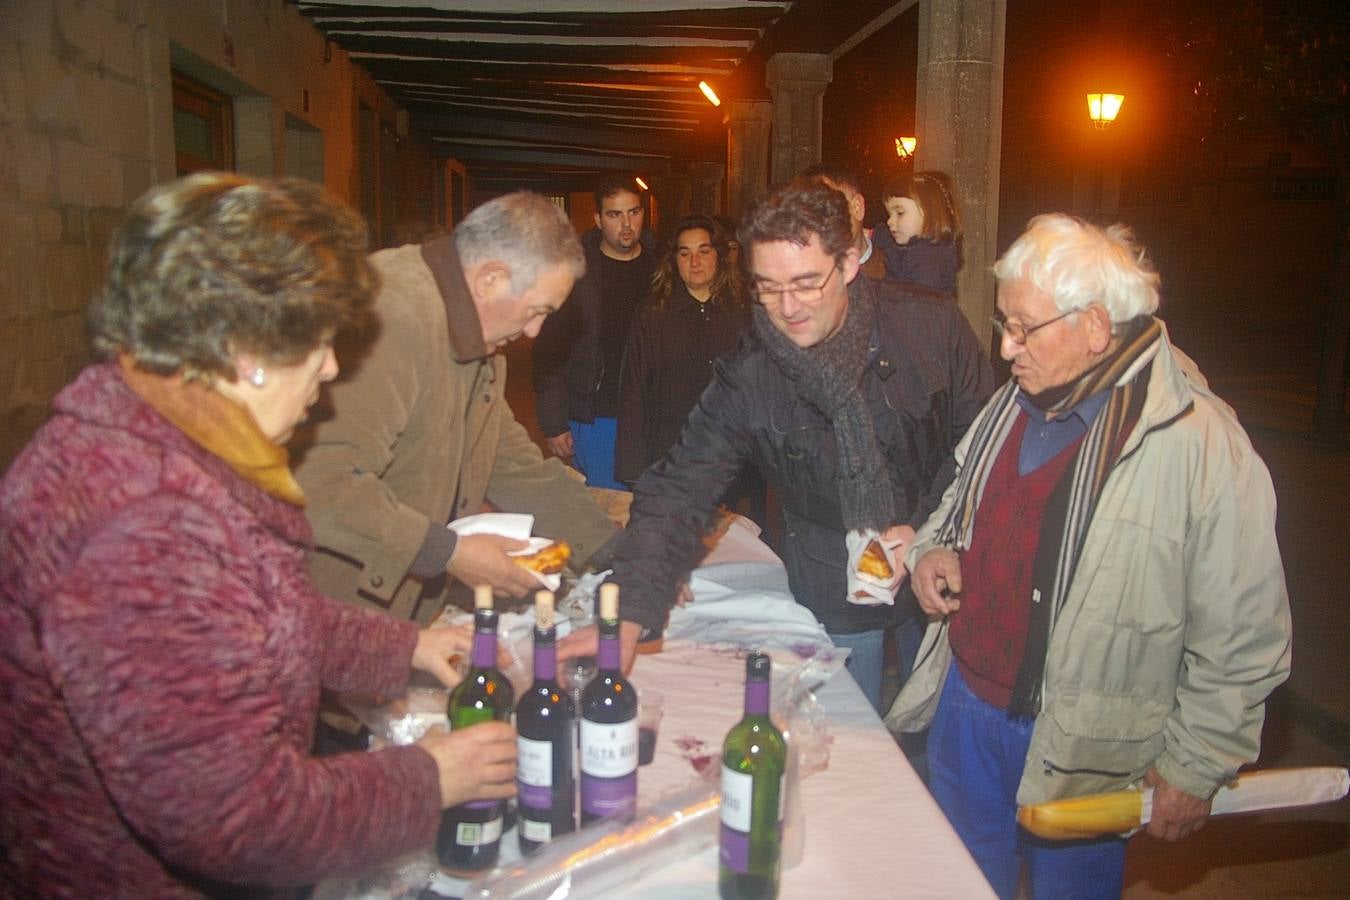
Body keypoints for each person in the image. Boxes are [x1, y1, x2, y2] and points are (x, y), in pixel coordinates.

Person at [0, 173, 516, 895]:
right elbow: (235, 820)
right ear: (241, 345)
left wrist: (407, 647)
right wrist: (431, 777)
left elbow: (253, 615)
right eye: (318, 341)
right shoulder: (146, 522)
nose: (331, 368)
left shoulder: (160, 438)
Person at [886, 214, 1292, 899]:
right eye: (1004, 325)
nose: (1006, 348)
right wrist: (935, 550)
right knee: (958, 882)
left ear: (1096, 326)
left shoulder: (1198, 444)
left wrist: (1195, 766)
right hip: (967, 705)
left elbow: (1243, 633)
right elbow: (957, 503)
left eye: (1024, 328)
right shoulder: (1015, 401)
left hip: (1085, 746)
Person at [565, 182, 993, 712]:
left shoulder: (931, 326)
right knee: (849, 724)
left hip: (938, 559)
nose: (788, 309)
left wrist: (926, 530)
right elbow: (681, 484)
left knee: (929, 712)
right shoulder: (753, 371)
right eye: (768, 288)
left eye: (807, 284)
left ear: (849, 262)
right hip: (829, 572)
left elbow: (981, 444)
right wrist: (630, 611)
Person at [292, 191, 618, 623]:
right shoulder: (389, 317)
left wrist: (610, 547)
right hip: (327, 612)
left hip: (391, 615)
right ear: (490, 279)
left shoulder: (477, 333)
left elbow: (508, 459)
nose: (534, 332)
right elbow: (319, 479)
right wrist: (448, 553)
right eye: (537, 310)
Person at [532, 176, 659, 489]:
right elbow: (550, 350)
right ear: (598, 220)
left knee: (657, 507)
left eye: (633, 212)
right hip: (599, 416)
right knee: (608, 507)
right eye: (615, 214)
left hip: (654, 414)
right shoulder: (576, 275)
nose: (626, 224)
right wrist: (554, 423)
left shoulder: (662, 269)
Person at [614, 214, 751, 485]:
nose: (695, 262)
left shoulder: (743, 311)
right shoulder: (654, 313)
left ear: (719, 256)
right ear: (674, 260)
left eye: (704, 251)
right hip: (670, 453)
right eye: (685, 253)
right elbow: (633, 390)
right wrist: (632, 468)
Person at [799, 164, 888, 281]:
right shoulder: (798, 276)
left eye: (827, 208)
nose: (817, 222)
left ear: (857, 208)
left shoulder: (897, 270)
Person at [879, 170, 963, 294]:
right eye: (889, 214)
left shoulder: (929, 262)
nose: (889, 221)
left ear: (930, 213)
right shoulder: (915, 251)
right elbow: (886, 241)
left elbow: (916, 303)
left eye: (900, 213)